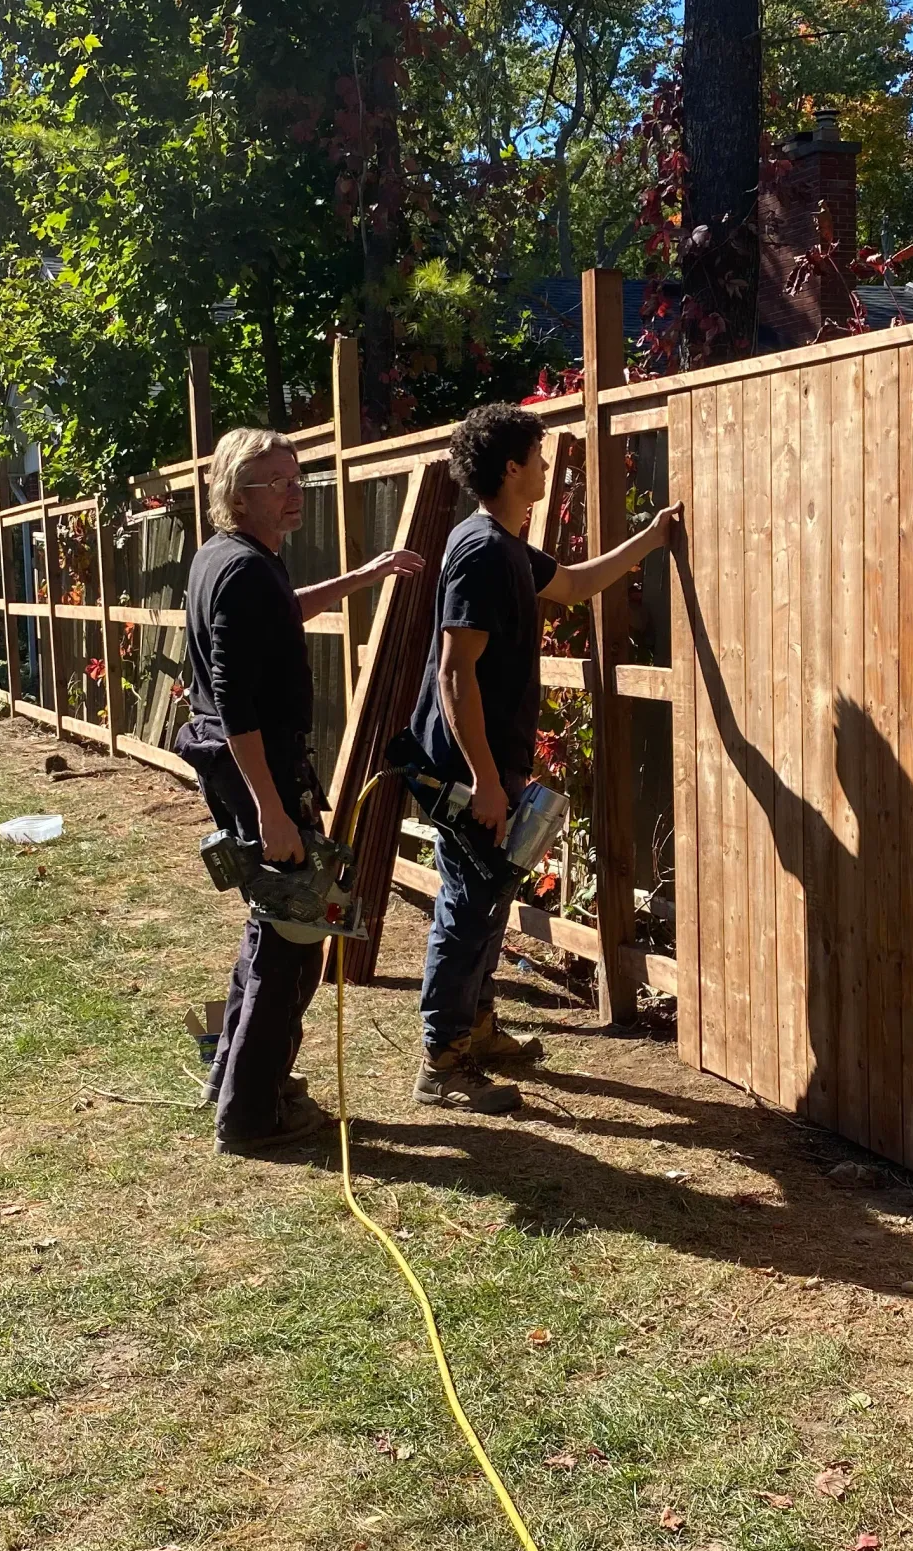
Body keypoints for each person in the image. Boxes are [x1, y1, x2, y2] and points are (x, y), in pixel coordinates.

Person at [409, 400, 679, 1114]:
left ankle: (479, 1027)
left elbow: (576, 584)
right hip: (471, 774)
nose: (545, 461)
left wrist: (649, 542)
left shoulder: (505, 548)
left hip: (489, 770)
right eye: (537, 453)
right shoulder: (479, 553)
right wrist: (486, 782)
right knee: (468, 911)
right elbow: (453, 672)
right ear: (510, 468)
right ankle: (443, 1062)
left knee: (489, 903)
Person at [180, 427, 425, 1156]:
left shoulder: (229, 561)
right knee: (294, 941)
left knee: (272, 925)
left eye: (297, 477)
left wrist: (366, 575)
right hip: (258, 774)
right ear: (237, 493)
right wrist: (272, 809)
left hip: (243, 772)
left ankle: (235, 1075)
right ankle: (253, 1113)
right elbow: (234, 701)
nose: (296, 493)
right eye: (277, 482)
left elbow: (282, 607)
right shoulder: (247, 571)